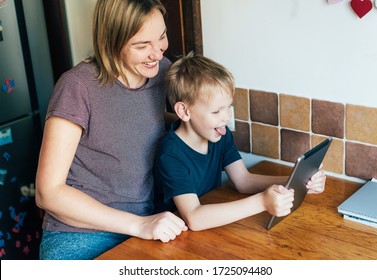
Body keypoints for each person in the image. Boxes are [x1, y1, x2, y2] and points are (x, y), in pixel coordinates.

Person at [35, 0, 187, 260]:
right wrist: (139, 225)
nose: (158, 53)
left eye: (161, 37)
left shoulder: (161, 71)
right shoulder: (78, 86)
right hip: (79, 236)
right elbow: (48, 193)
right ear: (111, 41)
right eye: (141, 46)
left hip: (144, 227)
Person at [154, 53, 327, 231]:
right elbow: (194, 218)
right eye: (217, 111)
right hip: (174, 238)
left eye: (228, 106)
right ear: (184, 111)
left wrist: (296, 183)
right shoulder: (171, 154)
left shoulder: (220, 134)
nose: (227, 117)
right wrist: (262, 202)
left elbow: (243, 181)